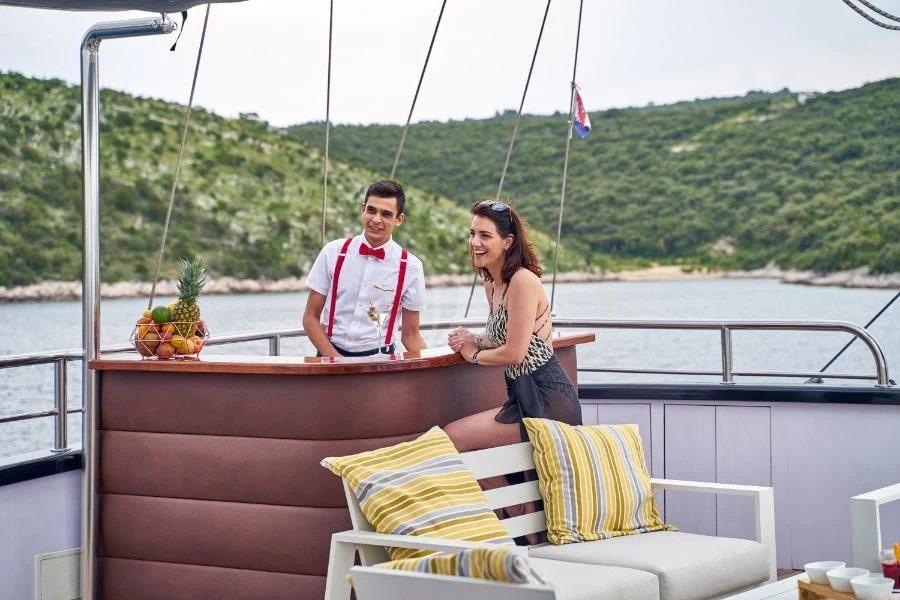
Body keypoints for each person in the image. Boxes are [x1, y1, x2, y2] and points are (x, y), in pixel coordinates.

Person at [445, 200, 582, 452]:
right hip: (520, 394)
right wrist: (471, 337)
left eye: (485, 235)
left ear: (507, 242)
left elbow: (514, 352)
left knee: (451, 439)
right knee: (477, 453)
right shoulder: (493, 283)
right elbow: (503, 334)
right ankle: (500, 494)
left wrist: (473, 354)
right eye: (472, 234)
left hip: (547, 397)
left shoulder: (522, 281)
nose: (475, 242)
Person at [304, 180, 427, 357]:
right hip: (329, 358)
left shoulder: (411, 267)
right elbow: (310, 318)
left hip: (380, 363)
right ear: (363, 209)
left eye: (386, 214)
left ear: (399, 219)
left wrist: (439, 372)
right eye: (371, 210)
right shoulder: (333, 252)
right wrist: (337, 362)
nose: (376, 219)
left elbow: (411, 335)